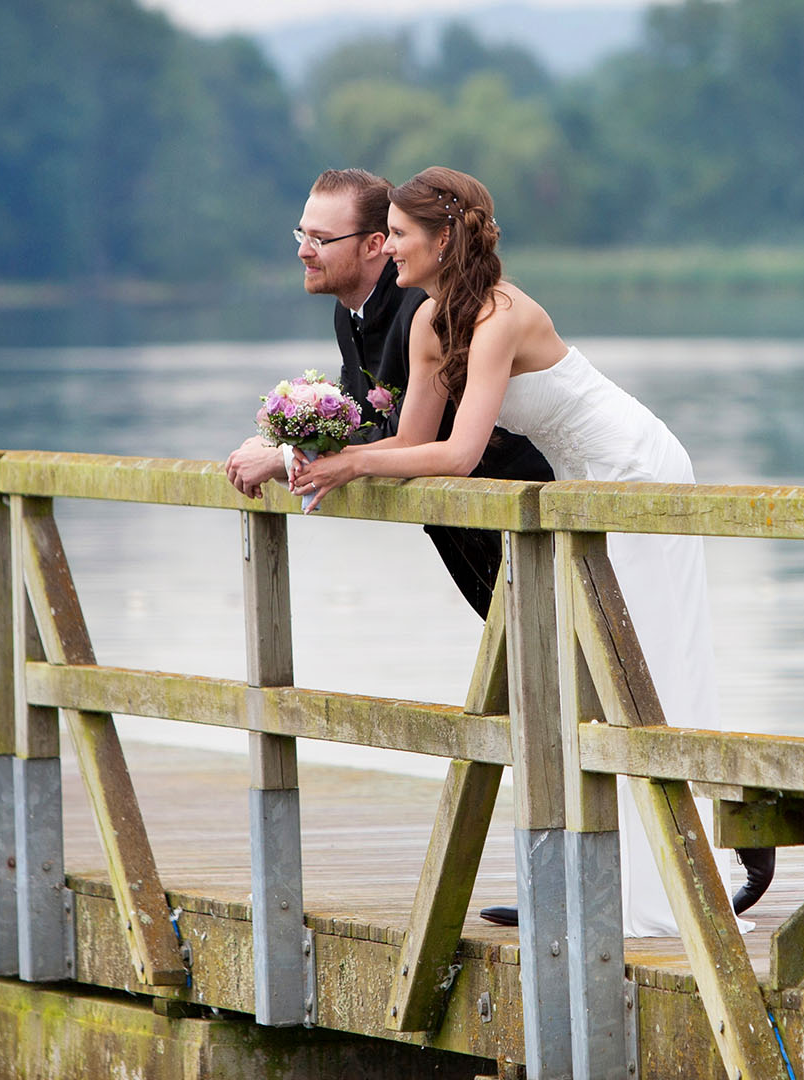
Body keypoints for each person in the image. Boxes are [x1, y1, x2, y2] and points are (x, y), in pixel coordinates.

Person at [287, 166, 772, 936]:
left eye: (404, 238)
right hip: (577, 484)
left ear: (442, 239)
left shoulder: (502, 316)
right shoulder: (428, 323)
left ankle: (700, 853)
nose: (393, 252)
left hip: (634, 469)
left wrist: (346, 464)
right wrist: (311, 450)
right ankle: (588, 876)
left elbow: (457, 451)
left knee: (633, 666)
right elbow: (409, 438)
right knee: (579, 674)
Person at [223, 169, 552, 617]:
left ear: (374, 244)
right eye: (302, 234)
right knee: (526, 658)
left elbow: (412, 434)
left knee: (560, 653)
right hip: (459, 514)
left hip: (521, 507)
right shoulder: (349, 315)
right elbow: (358, 415)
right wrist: (282, 441)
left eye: (320, 239)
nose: (303, 250)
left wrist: (284, 461)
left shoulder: (422, 305)